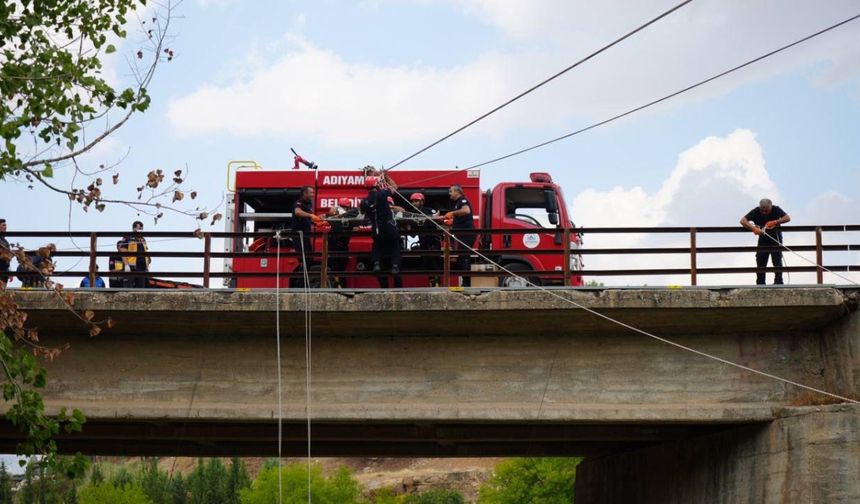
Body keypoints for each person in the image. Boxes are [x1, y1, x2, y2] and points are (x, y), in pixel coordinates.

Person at [360, 174, 402, 288]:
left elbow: (363, 215)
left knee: (377, 246)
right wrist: (387, 176)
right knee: (394, 245)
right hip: (389, 228)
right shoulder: (383, 194)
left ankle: (376, 263)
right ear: (377, 184)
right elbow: (394, 187)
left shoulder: (364, 202)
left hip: (377, 229)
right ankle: (394, 266)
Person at [740, 198, 791, 285]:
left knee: (777, 260)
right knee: (761, 260)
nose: (764, 212)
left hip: (776, 239)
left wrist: (775, 222)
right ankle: (760, 283)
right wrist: (753, 228)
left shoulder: (776, 209)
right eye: (762, 211)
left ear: (771, 207)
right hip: (763, 240)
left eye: (766, 211)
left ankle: (778, 282)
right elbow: (743, 221)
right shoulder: (756, 211)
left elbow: (787, 218)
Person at [441, 184, 476, 287]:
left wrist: (452, 213)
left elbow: (466, 211)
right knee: (462, 257)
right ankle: (465, 282)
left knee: (464, 257)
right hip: (462, 234)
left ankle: (466, 284)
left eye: (451, 191)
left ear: (457, 192)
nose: (449, 193)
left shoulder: (463, 200)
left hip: (467, 234)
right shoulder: (456, 203)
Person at [408, 193, 441, 286]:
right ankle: (431, 284)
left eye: (416, 201)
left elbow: (436, 218)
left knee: (435, 264)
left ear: (422, 202)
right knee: (426, 264)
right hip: (423, 242)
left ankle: (438, 285)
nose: (414, 203)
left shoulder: (429, 210)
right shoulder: (412, 214)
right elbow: (412, 232)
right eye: (413, 201)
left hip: (433, 241)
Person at [327, 197, 359, 288]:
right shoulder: (335, 212)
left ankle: (339, 285)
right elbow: (330, 214)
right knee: (336, 267)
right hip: (335, 244)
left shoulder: (351, 213)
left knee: (341, 266)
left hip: (342, 244)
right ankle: (337, 286)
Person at [291, 185, 323, 267]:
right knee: (303, 259)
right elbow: (297, 212)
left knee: (309, 258)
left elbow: (309, 219)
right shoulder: (299, 203)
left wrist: (318, 220)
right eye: (311, 192)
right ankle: (302, 278)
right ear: (305, 193)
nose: (313, 194)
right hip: (299, 235)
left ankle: (306, 278)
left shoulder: (309, 204)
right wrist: (310, 215)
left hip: (306, 235)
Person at [120, 221, 150, 288]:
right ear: (134, 228)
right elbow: (122, 251)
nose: (140, 230)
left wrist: (148, 263)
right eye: (139, 228)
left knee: (141, 289)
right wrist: (126, 264)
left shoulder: (143, 239)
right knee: (129, 288)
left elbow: (146, 252)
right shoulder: (128, 237)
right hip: (131, 267)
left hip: (142, 268)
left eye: (141, 228)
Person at [0, 219, 11, 289]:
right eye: (3, 225)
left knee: (2, 292)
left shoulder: (6, 242)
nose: (5, 227)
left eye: (6, 225)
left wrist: (9, 270)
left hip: (5, 269)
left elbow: (8, 257)